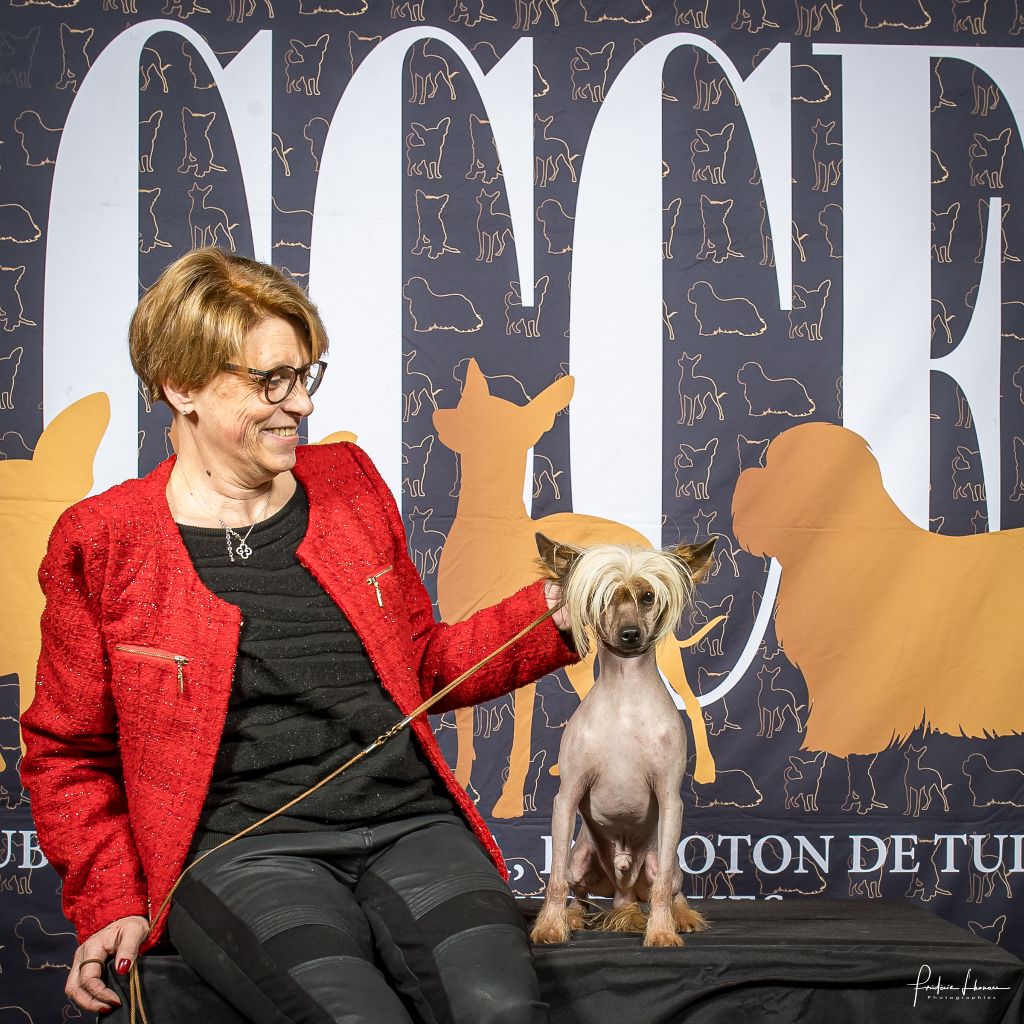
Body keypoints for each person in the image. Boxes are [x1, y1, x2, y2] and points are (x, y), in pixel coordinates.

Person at [21, 248, 577, 1024]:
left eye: (305, 374)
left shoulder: (349, 483)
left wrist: (559, 609)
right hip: (244, 854)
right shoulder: (104, 539)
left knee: (501, 1012)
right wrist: (110, 896)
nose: (302, 404)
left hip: (410, 826)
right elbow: (67, 751)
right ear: (182, 386)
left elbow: (422, 665)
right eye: (271, 380)